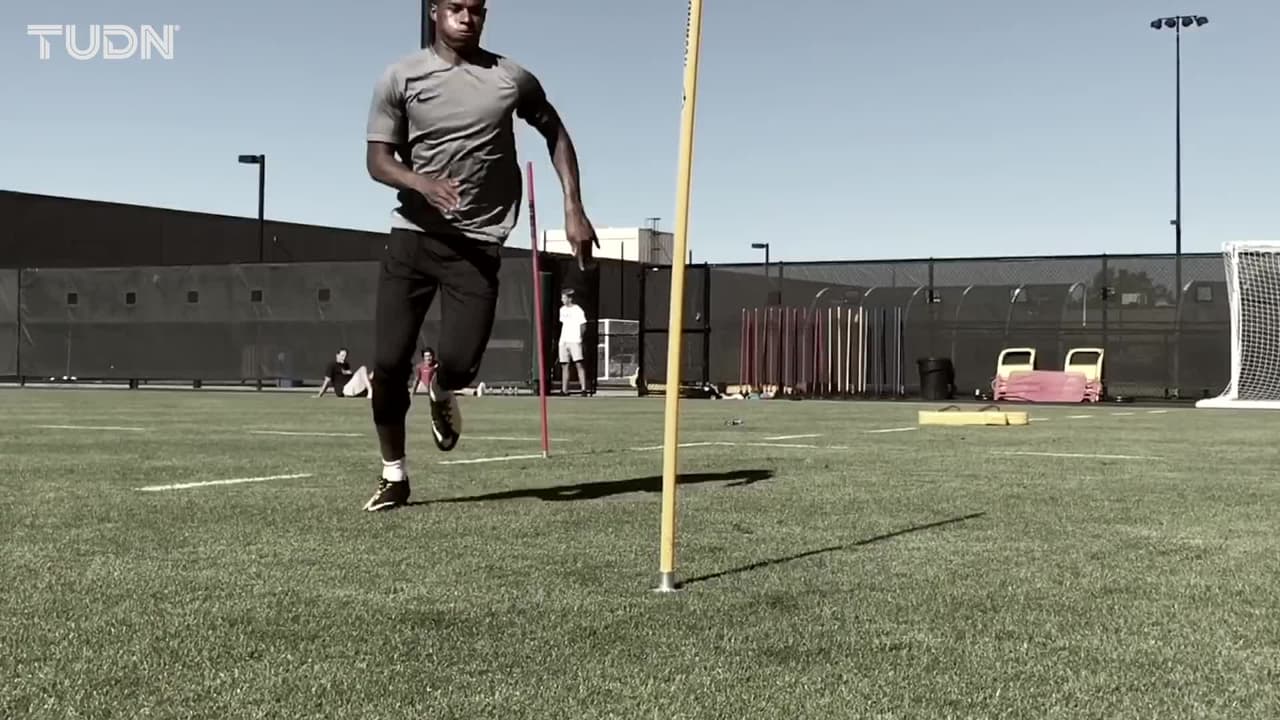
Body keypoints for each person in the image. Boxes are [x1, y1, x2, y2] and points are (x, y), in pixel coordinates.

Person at [361, 0, 598, 512]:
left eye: (476, 10)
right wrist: (420, 182)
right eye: (455, 8)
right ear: (434, 12)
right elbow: (378, 160)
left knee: (461, 364)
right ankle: (394, 473)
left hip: (477, 245)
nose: (466, 18)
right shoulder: (400, 77)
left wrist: (573, 207)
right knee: (388, 362)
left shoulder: (511, 78)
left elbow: (555, 132)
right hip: (413, 238)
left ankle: (443, 392)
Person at [557, 289, 588, 396]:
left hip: (575, 341)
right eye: (562, 297)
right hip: (563, 341)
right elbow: (563, 324)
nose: (562, 300)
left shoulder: (577, 310)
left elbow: (583, 325)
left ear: (570, 298)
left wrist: (579, 338)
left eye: (564, 297)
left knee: (579, 364)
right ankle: (564, 390)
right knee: (564, 365)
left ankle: (583, 389)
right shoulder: (562, 310)